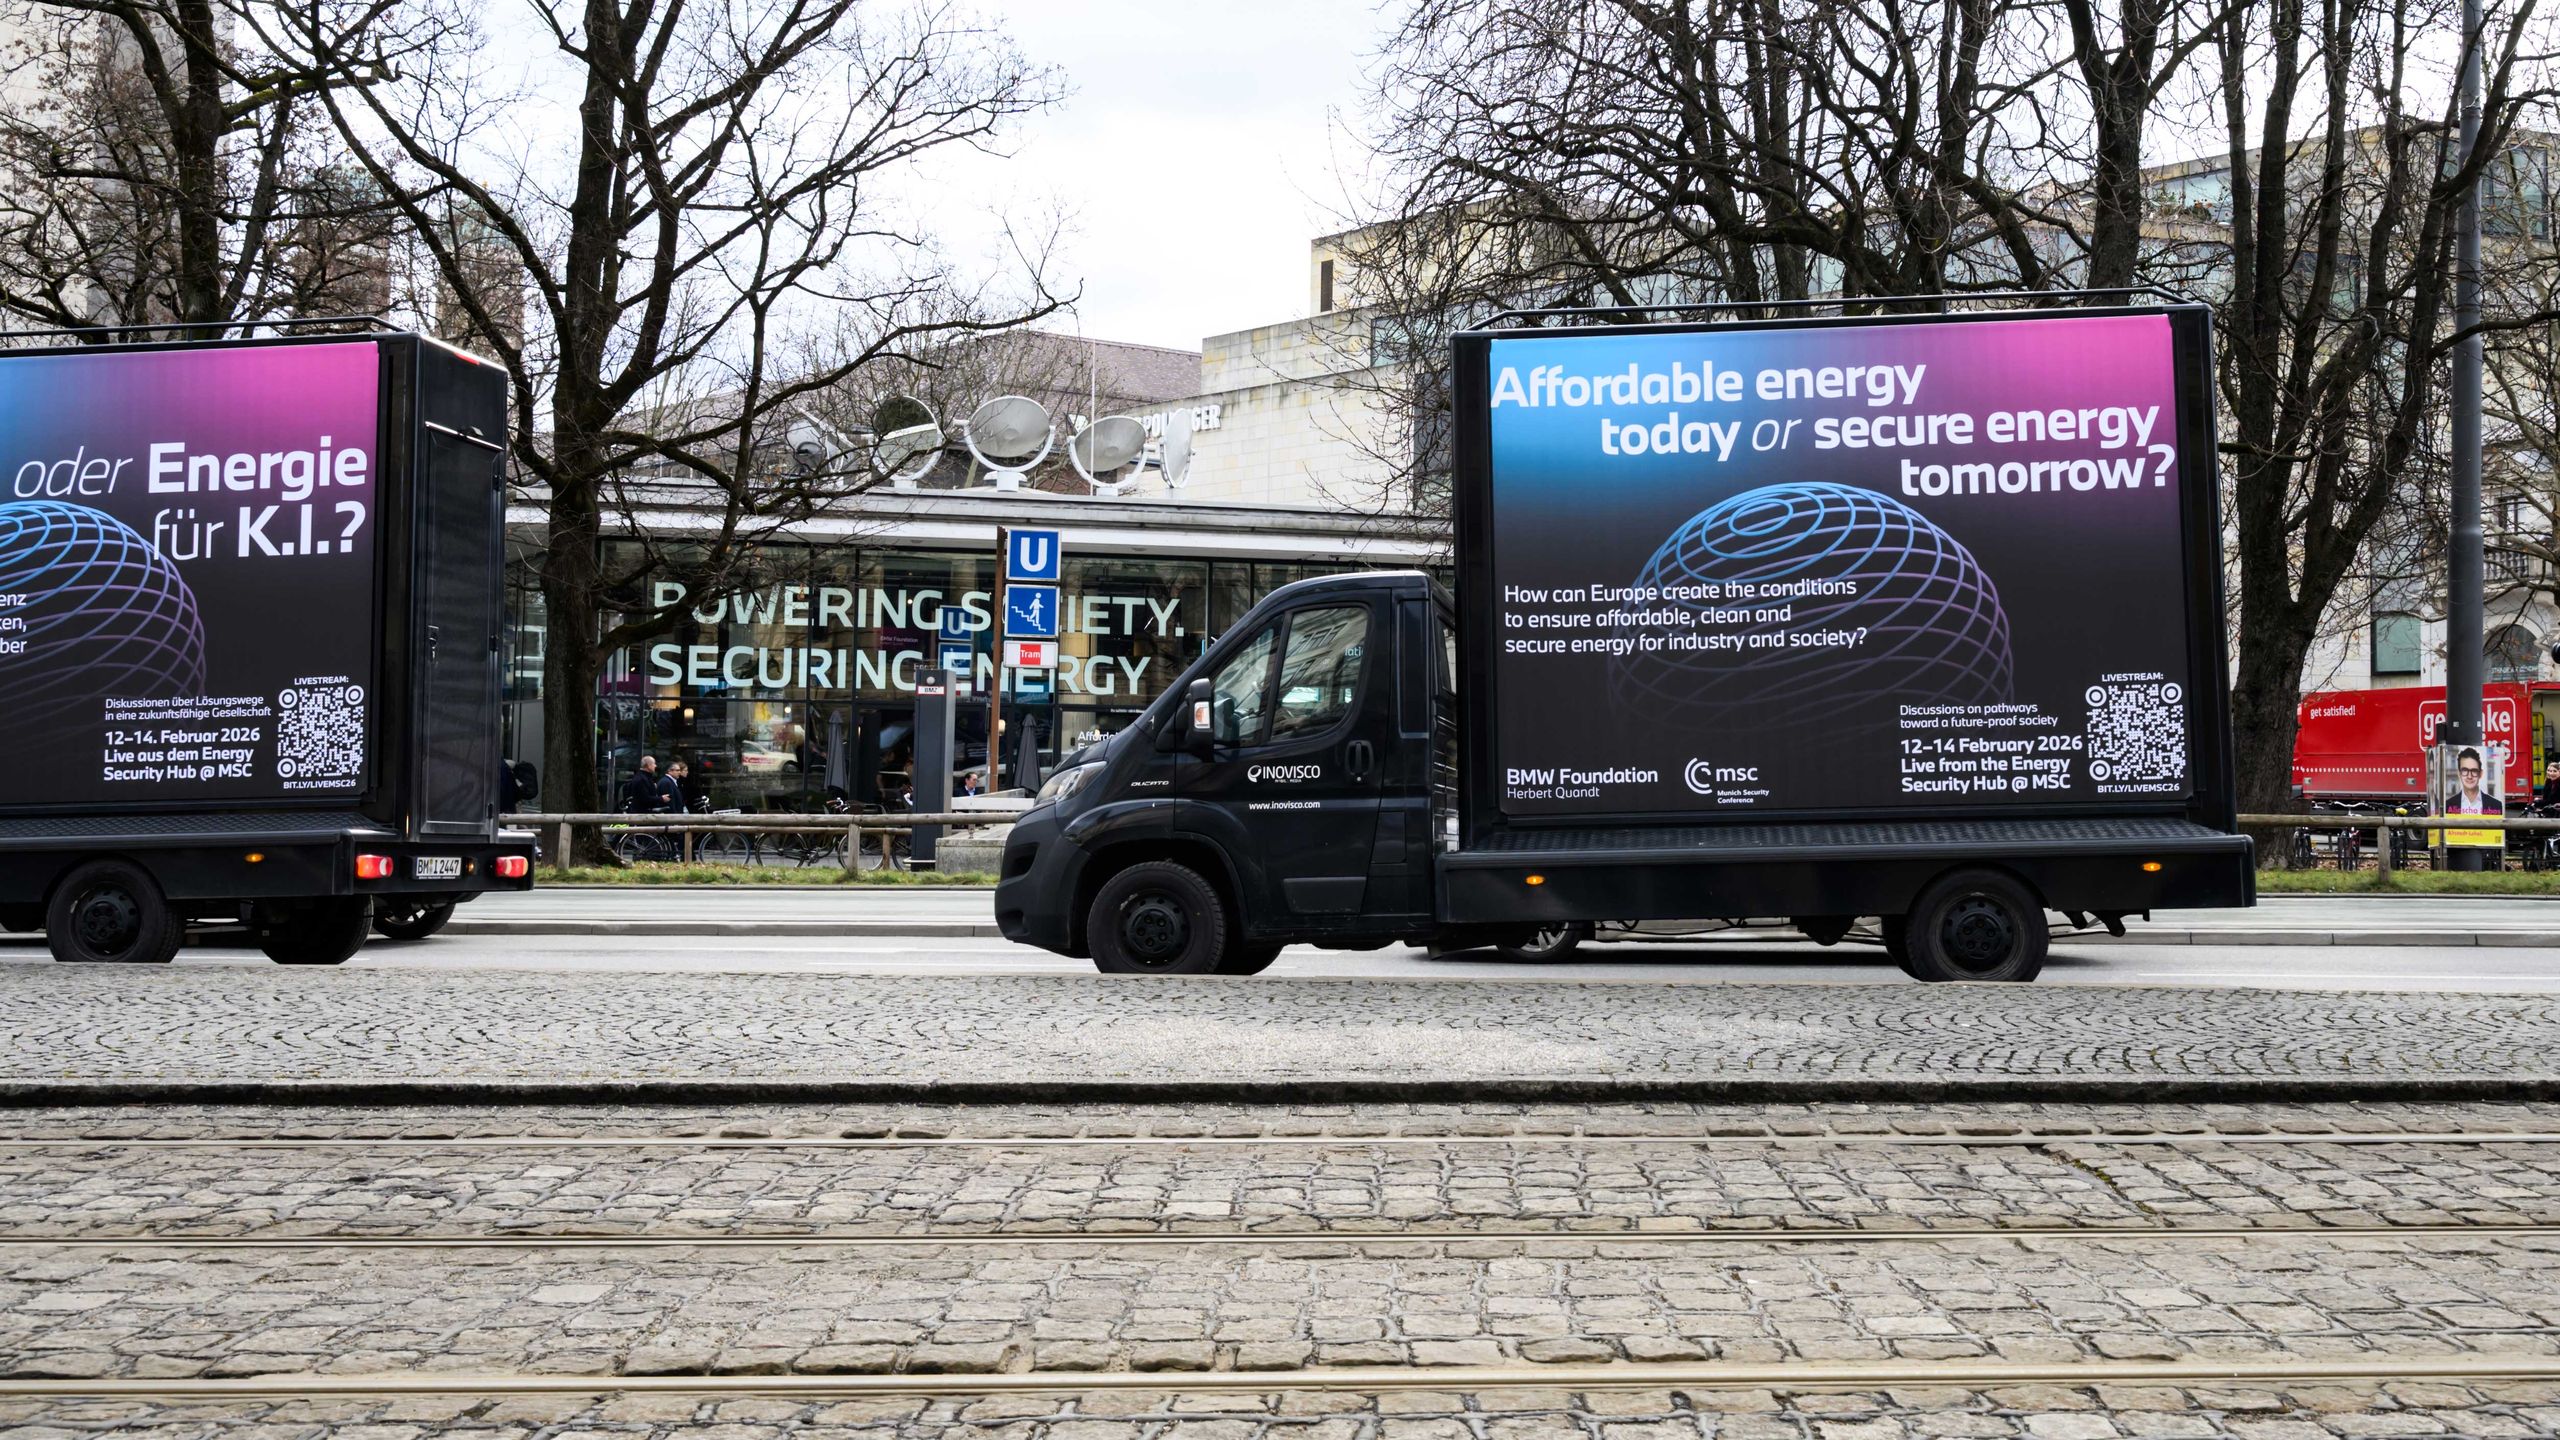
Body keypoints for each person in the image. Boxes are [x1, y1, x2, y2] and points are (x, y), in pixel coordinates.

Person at [2444, 746, 2503, 815]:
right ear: (2459, 774)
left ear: (2480, 774)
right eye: (2465, 770)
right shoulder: (2447, 806)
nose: (2469, 776)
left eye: (2474, 771)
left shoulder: (2496, 805)